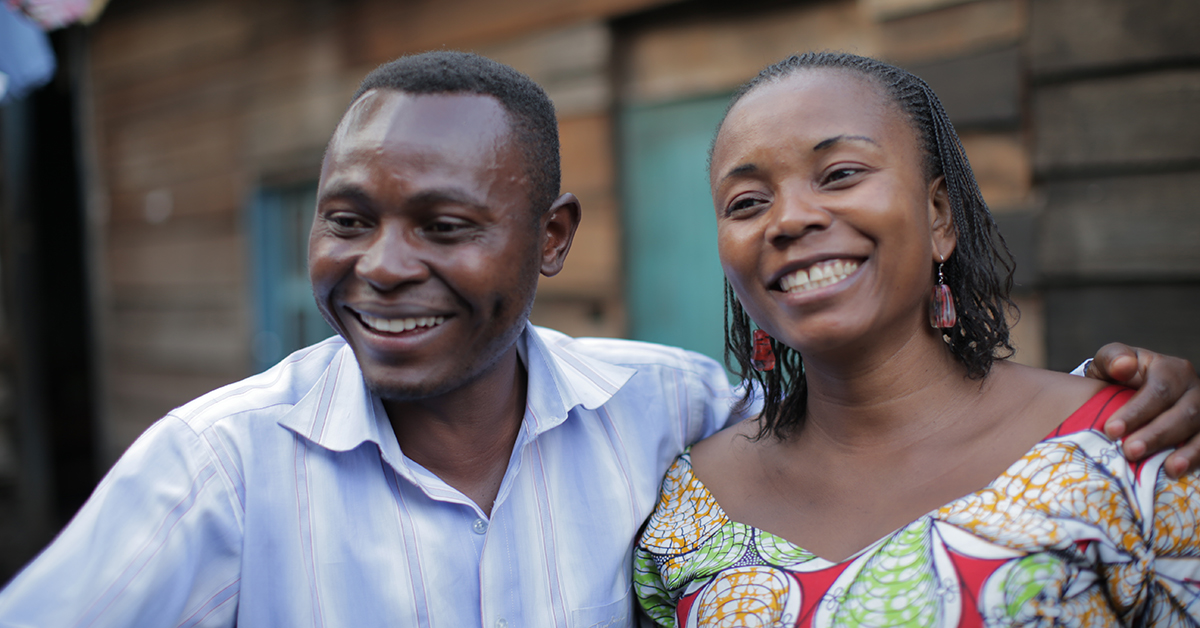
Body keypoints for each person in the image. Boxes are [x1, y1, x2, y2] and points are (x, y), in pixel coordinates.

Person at [0, 51, 1195, 628]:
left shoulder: (666, 414)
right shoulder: (216, 465)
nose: (382, 265)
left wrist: (1119, 399)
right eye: (347, 220)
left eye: (447, 224)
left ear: (551, 238)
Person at [634, 52, 1200, 627]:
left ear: (938, 216)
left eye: (840, 175)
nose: (789, 220)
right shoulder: (688, 508)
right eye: (748, 203)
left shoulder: (1133, 443)